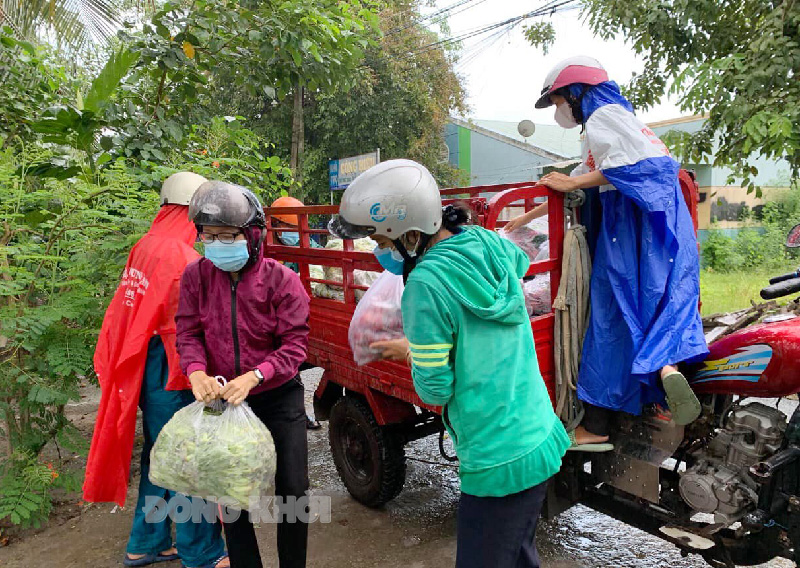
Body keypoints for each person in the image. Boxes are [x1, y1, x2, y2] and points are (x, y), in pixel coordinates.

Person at [329, 159, 570, 568]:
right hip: (537, 433)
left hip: (496, 455)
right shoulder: (487, 243)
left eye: (381, 241)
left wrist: (409, 351)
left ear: (407, 233)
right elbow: (520, 265)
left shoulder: (423, 286)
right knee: (519, 554)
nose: (379, 252)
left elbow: (435, 389)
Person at [505, 56, 709, 449]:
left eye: (559, 100)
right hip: (658, 223)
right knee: (652, 303)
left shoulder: (603, 117)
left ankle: (596, 424)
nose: (559, 110)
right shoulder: (626, 121)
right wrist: (527, 217)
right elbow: (577, 181)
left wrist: (572, 182)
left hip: (629, 226)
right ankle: (665, 369)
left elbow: (628, 169)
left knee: (609, 316)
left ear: (577, 93)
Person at [84, 172, 228, 568]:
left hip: (147, 367)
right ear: (193, 212)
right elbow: (192, 328)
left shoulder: (144, 246)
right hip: (173, 368)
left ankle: (145, 543)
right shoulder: (184, 257)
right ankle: (203, 553)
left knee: (159, 456)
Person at [176, 181, 311, 568]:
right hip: (222, 402)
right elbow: (187, 332)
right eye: (209, 236)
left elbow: (294, 346)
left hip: (277, 397)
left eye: (227, 235)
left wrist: (257, 375)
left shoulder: (282, 280)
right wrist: (197, 371)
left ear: (253, 235)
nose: (216, 244)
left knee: (293, 492)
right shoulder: (196, 277)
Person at [270, 196, 321, 430]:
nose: (294, 232)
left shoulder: (309, 245)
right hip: (277, 324)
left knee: (292, 370)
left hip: (300, 318)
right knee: (287, 371)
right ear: (276, 227)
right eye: (289, 227)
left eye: (297, 227)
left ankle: (297, 415)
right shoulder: (267, 254)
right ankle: (296, 417)